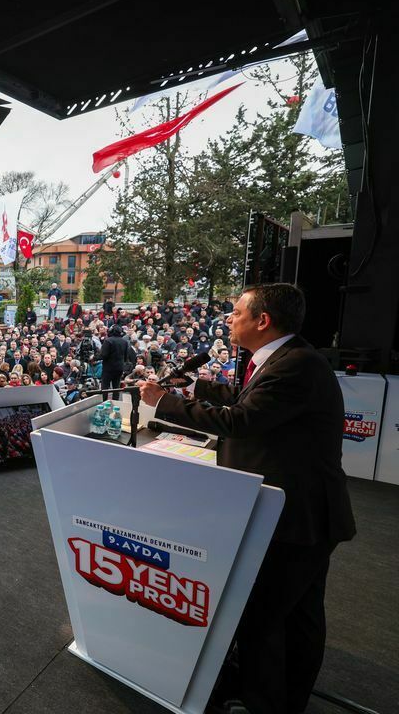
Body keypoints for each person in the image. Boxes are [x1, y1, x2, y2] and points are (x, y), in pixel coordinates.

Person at [138, 284, 356, 714]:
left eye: (236, 313)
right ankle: (286, 696)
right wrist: (196, 386)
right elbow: (246, 398)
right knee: (297, 614)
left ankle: (264, 701)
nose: (229, 319)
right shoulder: (285, 359)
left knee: (265, 615)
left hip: (297, 516)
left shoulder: (296, 366)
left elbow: (242, 419)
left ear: (263, 320)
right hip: (298, 510)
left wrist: (164, 402)